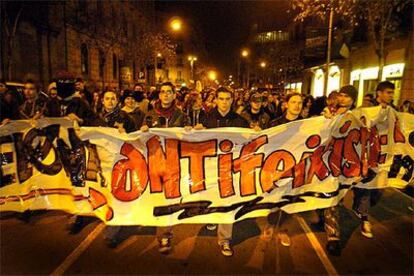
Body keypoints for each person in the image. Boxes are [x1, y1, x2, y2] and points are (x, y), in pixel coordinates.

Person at [140, 82, 189, 254]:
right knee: (156, 198)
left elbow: (190, 138)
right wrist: (142, 130)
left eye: (170, 92)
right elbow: (138, 139)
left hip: (175, 162)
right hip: (154, 162)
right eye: (163, 92)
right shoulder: (149, 115)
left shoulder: (182, 116)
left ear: (174, 95)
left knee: (168, 199)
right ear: (159, 95)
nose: (166, 95)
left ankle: (164, 234)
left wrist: (191, 130)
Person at [200, 86, 249, 257]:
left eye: (228, 99)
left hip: (231, 168)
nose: (224, 102)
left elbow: (249, 143)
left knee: (228, 202)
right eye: (221, 98)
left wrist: (255, 134)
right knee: (212, 198)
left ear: (232, 100)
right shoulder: (206, 120)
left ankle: (224, 240)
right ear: (216, 100)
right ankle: (213, 218)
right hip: (211, 167)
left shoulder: (241, 121)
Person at [322, 85, 358, 256]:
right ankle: (332, 234)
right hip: (325, 162)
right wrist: (326, 119)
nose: (343, 99)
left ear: (353, 100)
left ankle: (331, 233)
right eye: (341, 95)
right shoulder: (328, 112)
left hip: (344, 164)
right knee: (329, 197)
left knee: (335, 198)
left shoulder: (356, 117)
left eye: (347, 96)